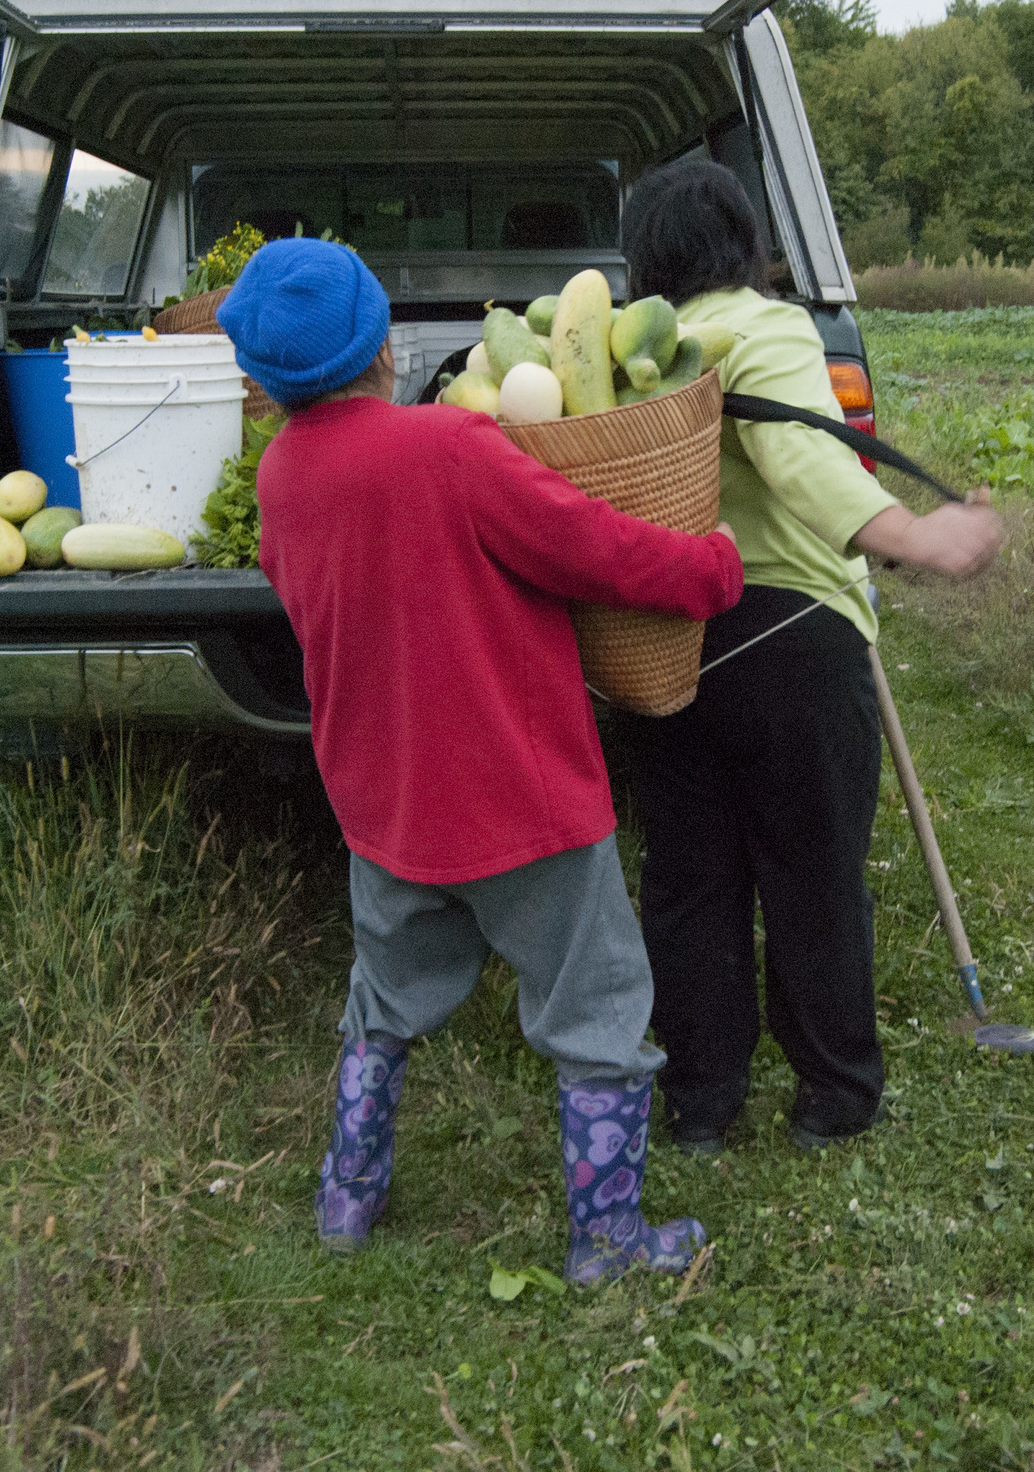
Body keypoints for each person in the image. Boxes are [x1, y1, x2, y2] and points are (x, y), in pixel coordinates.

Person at [221, 237, 746, 1284]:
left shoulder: (280, 476)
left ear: (257, 378)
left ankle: (346, 1199)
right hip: (524, 797)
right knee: (595, 1006)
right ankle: (606, 1238)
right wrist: (710, 569)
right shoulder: (453, 449)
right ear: (381, 345)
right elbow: (587, 545)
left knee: (384, 1000)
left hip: (388, 803)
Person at [615, 160, 1004, 1154]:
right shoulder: (762, 327)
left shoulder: (625, 354)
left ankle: (701, 1101)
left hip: (660, 646)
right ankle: (832, 1096)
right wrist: (916, 540)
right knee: (812, 868)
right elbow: (803, 456)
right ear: (744, 242)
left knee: (688, 875)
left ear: (643, 259)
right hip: (787, 642)